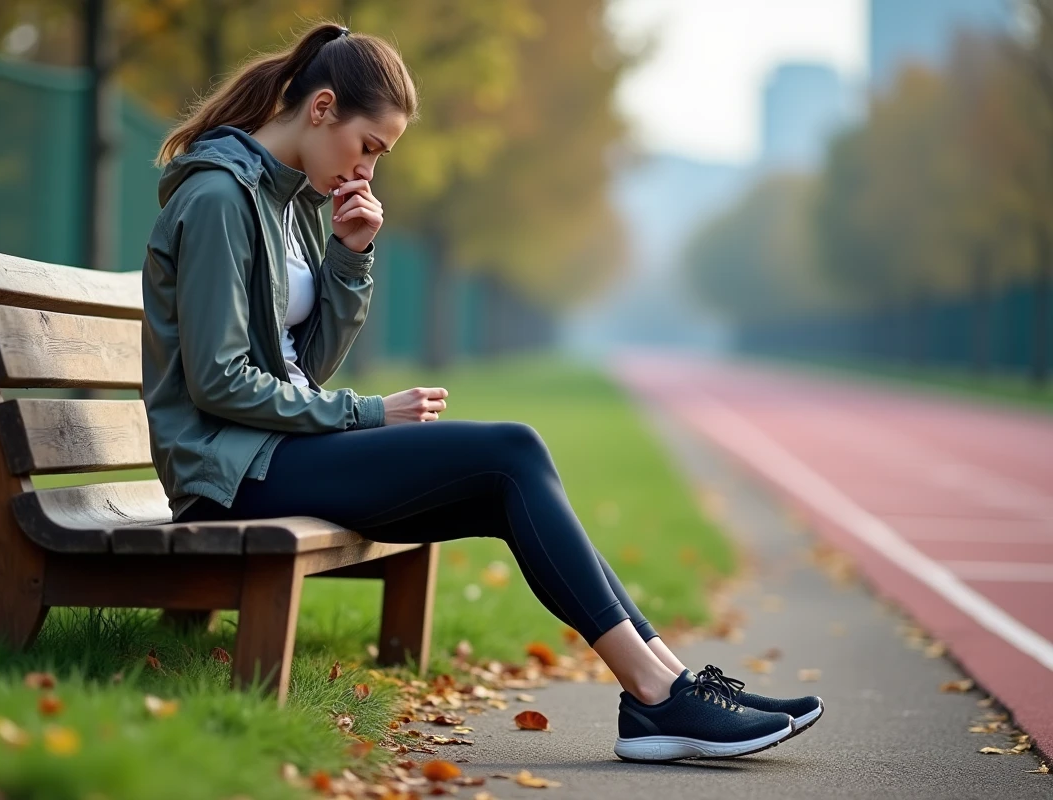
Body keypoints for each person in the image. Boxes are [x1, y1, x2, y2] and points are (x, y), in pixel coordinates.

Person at [142, 21, 823, 763]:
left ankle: (667, 683)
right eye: (369, 146)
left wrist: (349, 259)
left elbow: (305, 367)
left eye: (380, 157)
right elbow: (218, 382)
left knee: (510, 470)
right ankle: (661, 698)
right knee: (509, 453)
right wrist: (371, 413)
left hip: (272, 455)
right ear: (322, 107)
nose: (368, 170)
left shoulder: (290, 204)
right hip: (229, 476)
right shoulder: (218, 197)